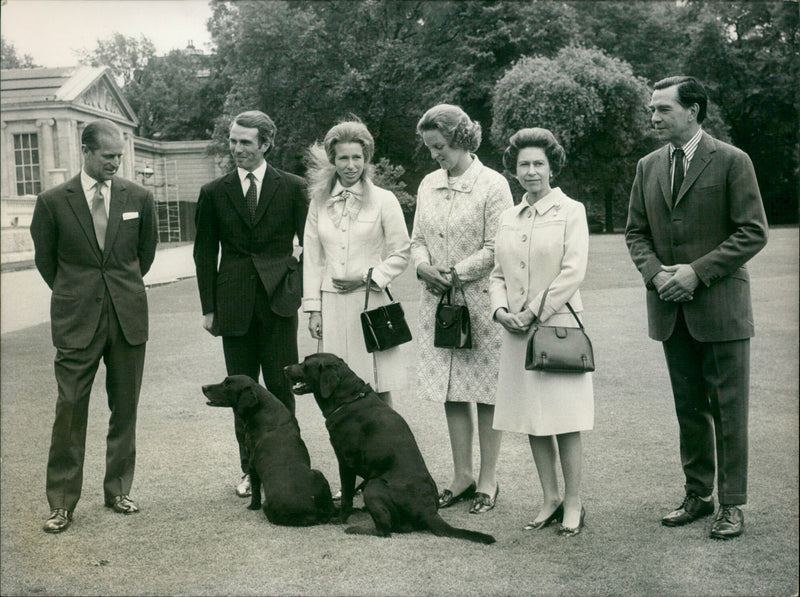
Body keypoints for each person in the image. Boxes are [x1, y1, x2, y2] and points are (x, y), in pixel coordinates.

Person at [625, 76, 768, 540]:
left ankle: (732, 504)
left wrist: (695, 272)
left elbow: (752, 232)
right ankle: (698, 495)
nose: (654, 116)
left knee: (729, 411)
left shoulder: (732, 161)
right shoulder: (648, 166)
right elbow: (636, 233)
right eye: (652, 109)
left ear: (693, 110)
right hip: (670, 310)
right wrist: (658, 275)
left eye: (663, 108)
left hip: (722, 309)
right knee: (689, 409)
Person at [30, 119, 158, 533]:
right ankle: (62, 503)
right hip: (76, 319)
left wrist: (118, 288)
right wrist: (76, 292)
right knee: (70, 410)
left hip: (127, 318)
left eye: (119, 156)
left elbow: (145, 254)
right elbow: (47, 262)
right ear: (85, 152)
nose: (115, 164)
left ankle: (118, 489)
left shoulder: (139, 196)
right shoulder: (52, 201)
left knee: (125, 409)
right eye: (107, 157)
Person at [194, 110, 307, 498]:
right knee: (242, 392)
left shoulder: (293, 188)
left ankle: (289, 464)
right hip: (233, 304)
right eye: (232, 140)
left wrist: (297, 286)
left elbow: (312, 245)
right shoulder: (213, 192)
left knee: (280, 386)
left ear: (265, 144)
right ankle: (249, 470)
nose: (237, 148)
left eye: (245, 142)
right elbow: (205, 253)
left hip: (279, 304)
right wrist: (209, 307)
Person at [489, 128, 593, 537]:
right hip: (516, 330)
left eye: (538, 164)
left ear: (552, 167)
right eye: (523, 165)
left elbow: (573, 272)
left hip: (557, 327)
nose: (531, 172)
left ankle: (573, 501)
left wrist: (533, 311)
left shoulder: (571, 210)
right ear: (513, 170)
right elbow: (497, 272)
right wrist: (501, 311)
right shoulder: (507, 216)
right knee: (532, 418)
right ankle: (549, 497)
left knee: (565, 418)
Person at [411, 104, 513, 514]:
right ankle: (462, 475)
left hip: (480, 302)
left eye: (441, 147)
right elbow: (416, 237)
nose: (436, 155)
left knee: (486, 392)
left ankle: (488, 480)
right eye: (431, 148)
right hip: (438, 303)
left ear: (461, 140)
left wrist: (454, 273)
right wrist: (422, 266)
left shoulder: (493, 184)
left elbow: (496, 247)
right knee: (451, 389)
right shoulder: (427, 184)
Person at [302, 120, 410, 407]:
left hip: (370, 303)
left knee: (377, 383)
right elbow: (312, 258)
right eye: (343, 158)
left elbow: (401, 252)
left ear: (366, 159)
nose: (351, 165)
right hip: (332, 306)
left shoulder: (384, 200)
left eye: (357, 158)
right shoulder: (318, 202)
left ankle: (384, 446)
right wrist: (314, 310)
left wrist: (367, 277)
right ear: (333, 160)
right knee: (335, 384)